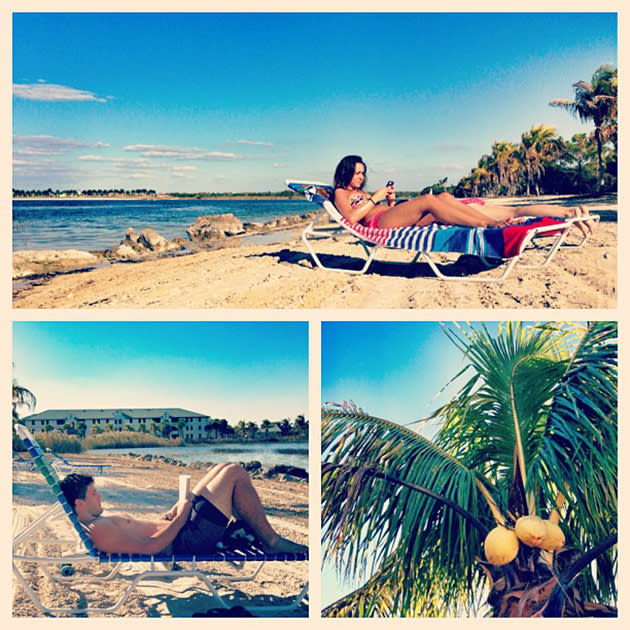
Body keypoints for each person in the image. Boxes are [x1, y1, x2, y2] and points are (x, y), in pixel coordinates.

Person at [60, 462, 308, 556]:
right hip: (189, 539)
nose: (100, 496)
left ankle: (257, 531)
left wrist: (174, 512)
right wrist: (180, 517)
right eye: (94, 494)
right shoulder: (98, 530)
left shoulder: (99, 523)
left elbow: (146, 534)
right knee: (235, 473)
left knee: (223, 467)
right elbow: (153, 547)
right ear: (79, 503)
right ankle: (271, 540)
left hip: (182, 528)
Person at [332, 155, 592, 233]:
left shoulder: (363, 192)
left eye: (363, 173)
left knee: (443, 198)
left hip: (392, 214)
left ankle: (566, 214)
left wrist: (387, 200)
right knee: (429, 200)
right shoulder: (340, 193)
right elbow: (352, 219)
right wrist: (375, 200)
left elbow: (375, 204)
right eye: (357, 173)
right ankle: (488, 224)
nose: (361, 177)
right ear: (345, 173)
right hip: (379, 224)